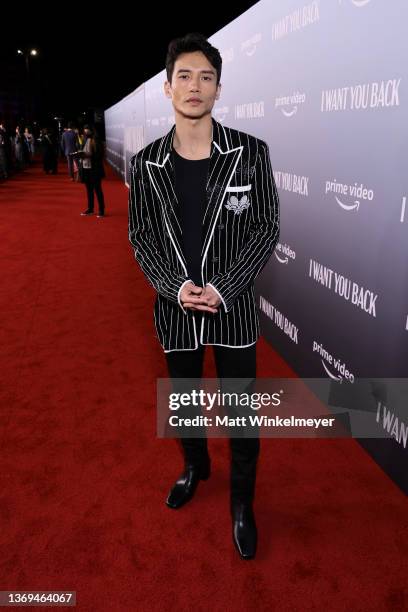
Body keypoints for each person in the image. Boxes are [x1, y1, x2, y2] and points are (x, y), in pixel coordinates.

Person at [128, 32, 280, 560]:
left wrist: (223, 287)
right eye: (185, 77)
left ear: (219, 90)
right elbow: (141, 236)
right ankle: (195, 466)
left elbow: (264, 229)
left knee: (241, 413)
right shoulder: (144, 164)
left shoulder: (250, 153)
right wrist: (175, 288)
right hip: (175, 312)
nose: (195, 86)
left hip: (233, 310)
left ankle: (242, 503)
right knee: (186, 403)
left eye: (206, 77)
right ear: (168, 89)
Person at [75, 125, 106, 217]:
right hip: (85, 169)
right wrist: (80, 154)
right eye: (85, 129)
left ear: (92, 130)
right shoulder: (84, 139)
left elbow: (100, 155)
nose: (86, 131)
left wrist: (89, 156)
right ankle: (90, 209)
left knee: (98, 190)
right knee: (89, 190)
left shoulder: (96, 140)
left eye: (87, 129)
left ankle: (101, 210)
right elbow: (81, 150)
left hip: (95, 169)